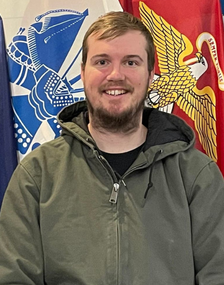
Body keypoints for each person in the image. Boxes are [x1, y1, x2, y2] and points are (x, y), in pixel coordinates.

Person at [0, 11, 224, 285]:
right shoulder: (37, 175)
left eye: (131, 62)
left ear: (151, 74)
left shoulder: (198, 177)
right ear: (83, 73)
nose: (116, 75)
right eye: (102, 61)